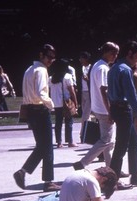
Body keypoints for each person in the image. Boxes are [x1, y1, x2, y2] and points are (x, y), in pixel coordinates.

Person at [13, 44, 60, 192]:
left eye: (53, 57)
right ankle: (48, 181)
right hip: (40, 110)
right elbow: (41, 92)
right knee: (47, 148)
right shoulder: (41, 70)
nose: (51, 60)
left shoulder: (29, 70)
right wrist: (51, 105)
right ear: (41, 55)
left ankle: (23, 172)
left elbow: (26, 92)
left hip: (30, 110)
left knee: (42, 146)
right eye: (48, 57)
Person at [107, 40, 137, 189]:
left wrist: (111, 112)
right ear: (129, 54)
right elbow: (131, 96)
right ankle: (112, 181)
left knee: (133, 142)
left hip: (116, 107)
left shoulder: (113, 68)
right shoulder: (125, 70)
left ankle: (135, 175)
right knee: (121, 146)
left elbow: (109, 92)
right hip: (124, 109)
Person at [73, 42, 119, 171]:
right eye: (113, 52)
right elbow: (104, 91)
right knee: (106, 140)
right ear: (105, 52)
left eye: (116, 53)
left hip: (99, 107)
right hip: (104, 109)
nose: (115, 55)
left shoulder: (97, 65)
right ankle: (83, 163)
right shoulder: (103, 68)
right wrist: (110, 111)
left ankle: (112, 169)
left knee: (110, 142)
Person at [49, 59, 79, 148]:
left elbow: (49, 90)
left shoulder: (51, 78)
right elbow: (72, 91)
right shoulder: (67, 77)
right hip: (66, 102)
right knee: (69, 121)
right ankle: (70, 141)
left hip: (56, 103)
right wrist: (76, 102)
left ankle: (59, 142)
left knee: (58, 123)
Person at [78, 51, 92, 138]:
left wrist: (88, 80)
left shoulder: (91, 68)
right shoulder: (82, 68)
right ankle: (87, 133)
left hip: (89, 92)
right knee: (86, 113)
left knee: (85, 114)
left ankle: (82, 133)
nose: (80, 60)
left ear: (86, 59)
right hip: (83, 92)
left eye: (81, 58)